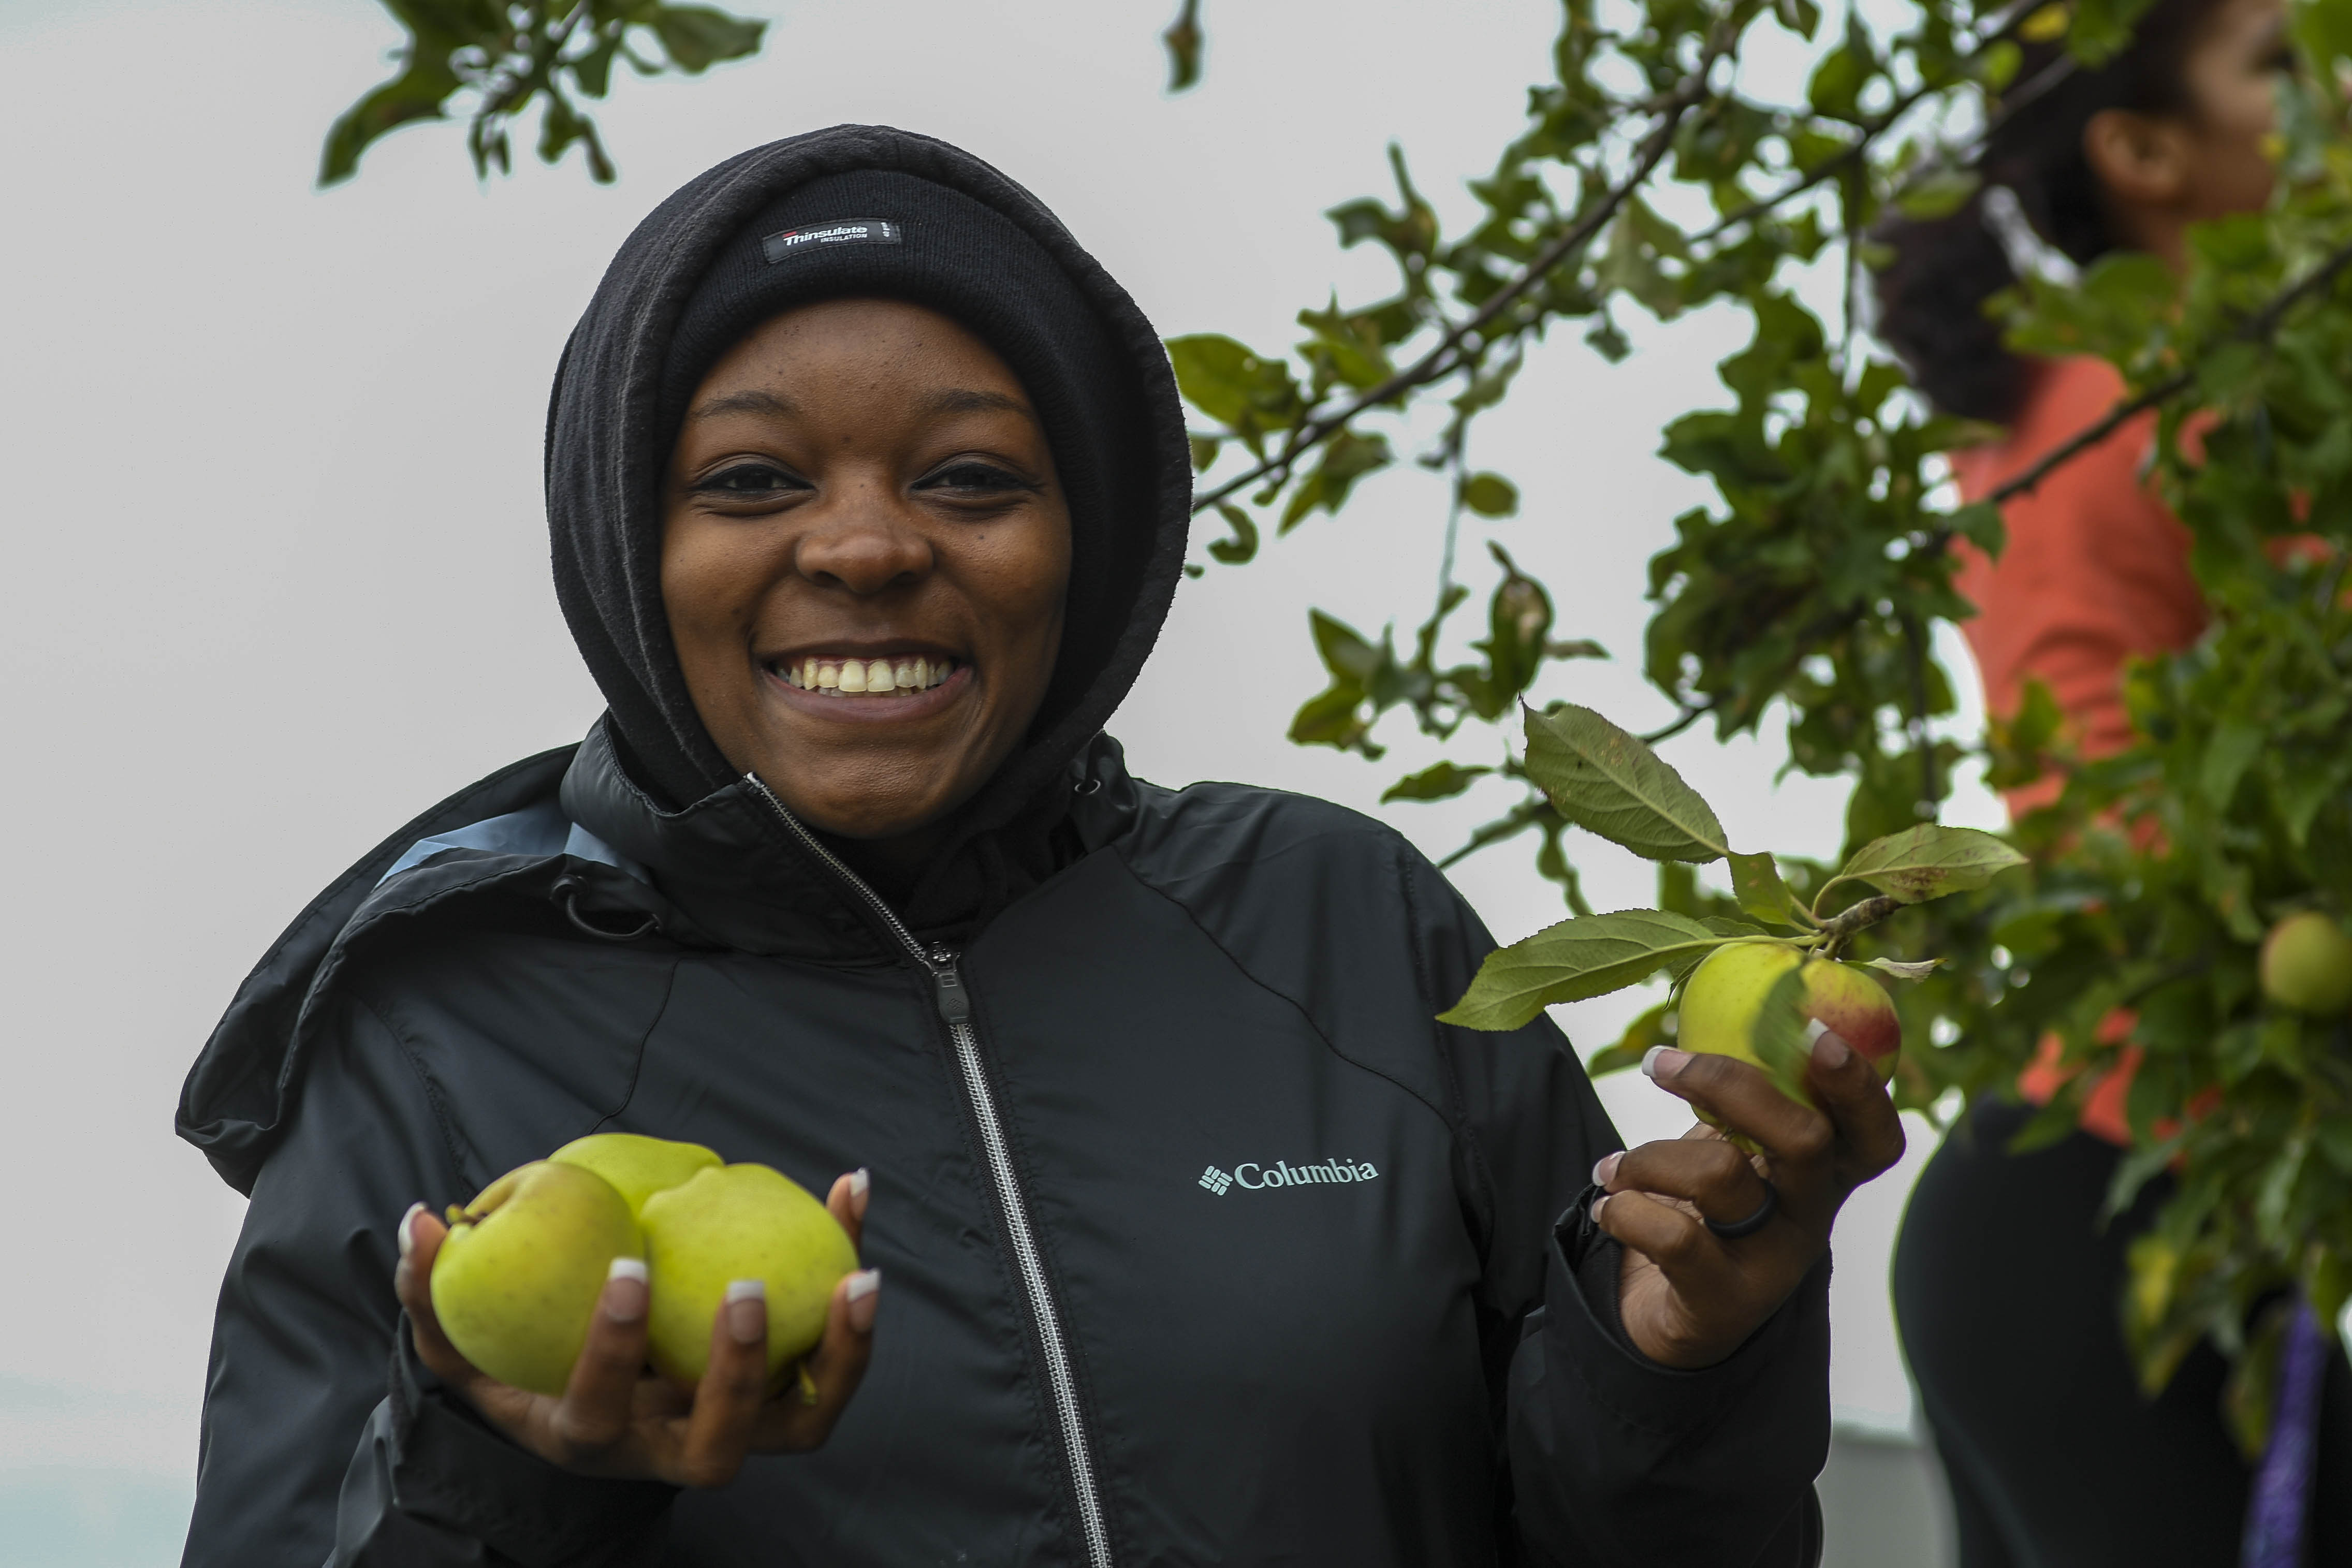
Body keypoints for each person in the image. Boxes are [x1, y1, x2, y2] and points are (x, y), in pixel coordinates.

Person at [176, 124, 1903, 1567]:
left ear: (1092, 547)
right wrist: (508, 1474)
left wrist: (1682, 1356)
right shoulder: (437, 1039)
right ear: (625, 544)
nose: (863, 548)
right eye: (755, 482)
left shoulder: (1339, 928)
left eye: (973, 480)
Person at [1874, 2, 2352, 1562]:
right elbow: (2111, 814)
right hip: (2105, 1217)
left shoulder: (2257, 400)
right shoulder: (2123, 416)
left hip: (2162, 1215)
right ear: (2146, 153)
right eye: (2278, 68)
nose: (2334, 85)